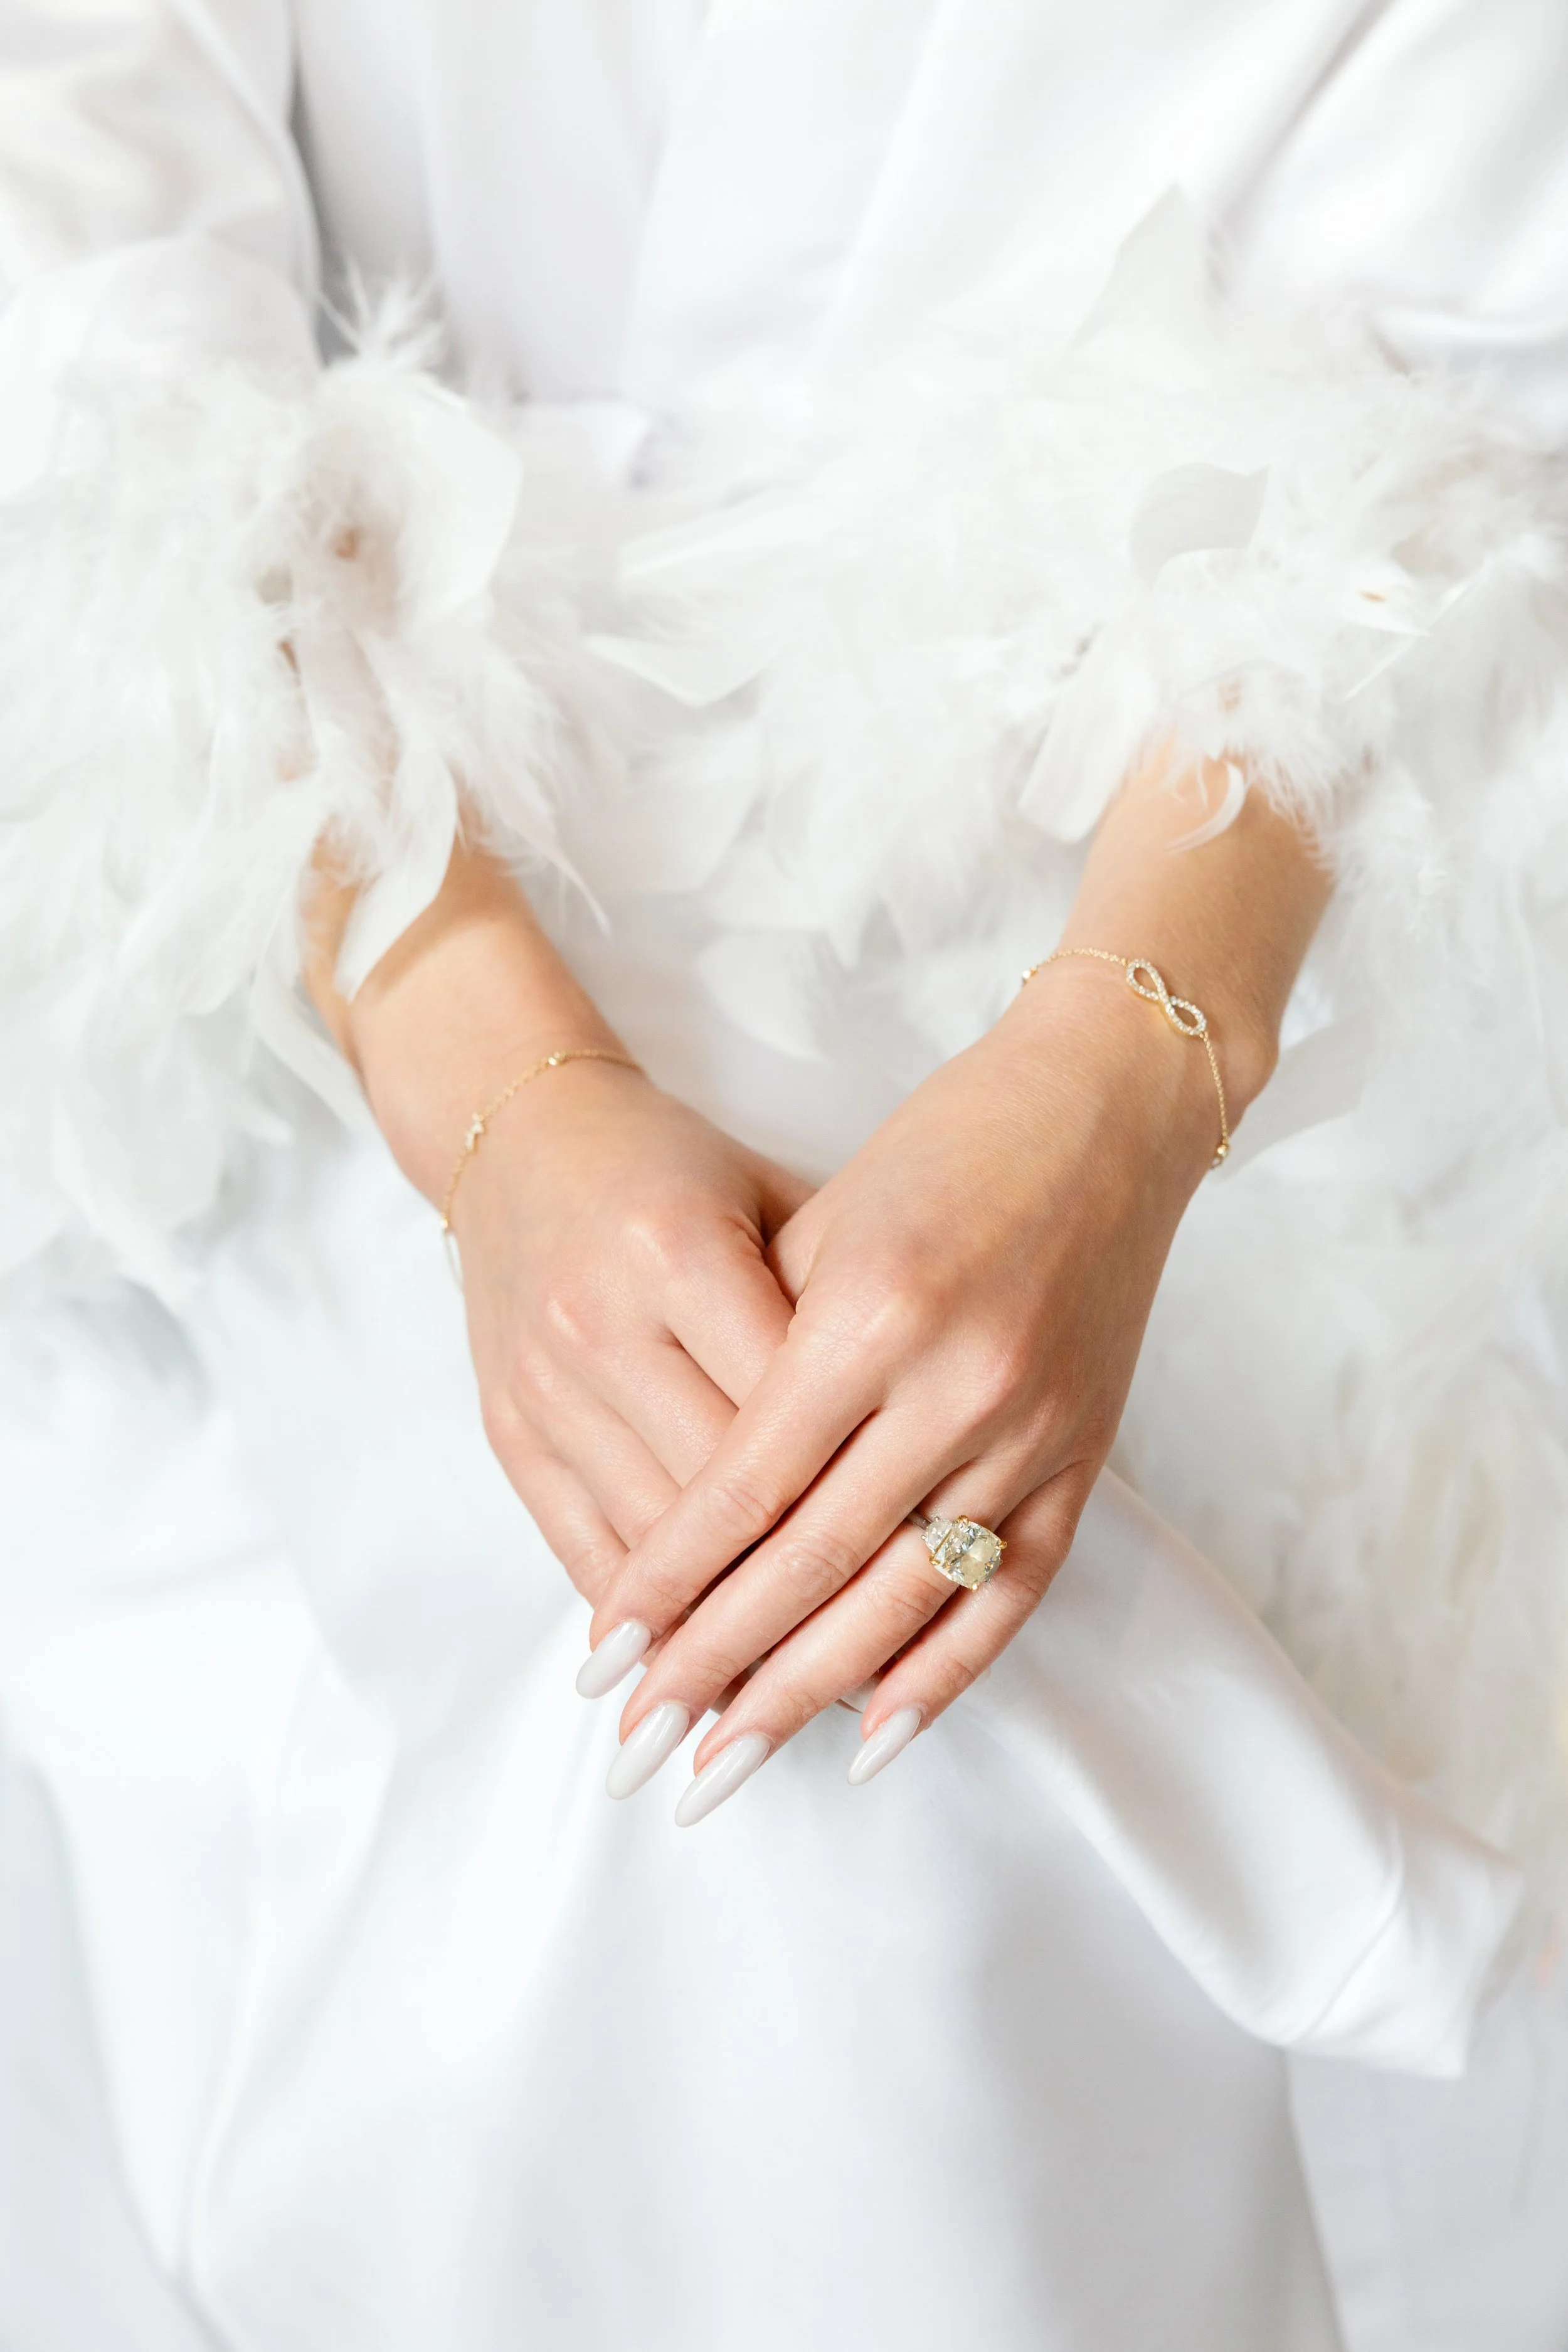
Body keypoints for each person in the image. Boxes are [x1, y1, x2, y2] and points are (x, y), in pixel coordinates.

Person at [2, 4, 1567, 2346]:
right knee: (689, 1683)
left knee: (857, 1661)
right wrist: (496, 1085)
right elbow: (88, 294)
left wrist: (1116, 1084)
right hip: (302, 812)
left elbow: (1429, 427)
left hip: (1174, 848)